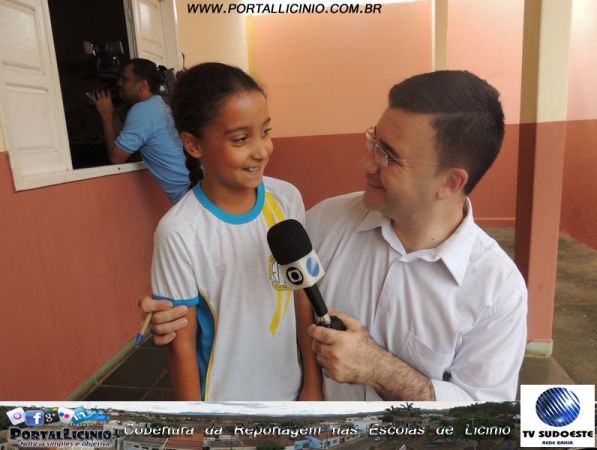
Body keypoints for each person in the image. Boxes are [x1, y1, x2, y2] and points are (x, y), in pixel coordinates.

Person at [142, 70, 527, 401]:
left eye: (389, 156)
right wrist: (172, 312)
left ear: (450, 181)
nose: (365, 163)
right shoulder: (324, 222)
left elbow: (478, 415)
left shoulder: (497, 291)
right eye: (373, 141)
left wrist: (382, 370)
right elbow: (250, 274)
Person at [151, 62, 322, 401]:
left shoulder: (285, 198)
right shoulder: (179, 231)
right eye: (241, 139)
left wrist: (312, 386)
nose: (261, 150)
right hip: (225, 402)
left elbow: (304, 296)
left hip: (291, 391)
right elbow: (180, 343)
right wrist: (194, 427)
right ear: (194, 145)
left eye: (266, 132)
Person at [87, 58, 189, 204]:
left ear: (142, 85)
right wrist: (114, 114)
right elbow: (126, 144)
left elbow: (116, 158)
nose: (119, 83)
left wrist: (106, 116)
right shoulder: (158, 105)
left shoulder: (142, 111)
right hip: (195, 192)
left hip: (188, 199)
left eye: (125, 79)